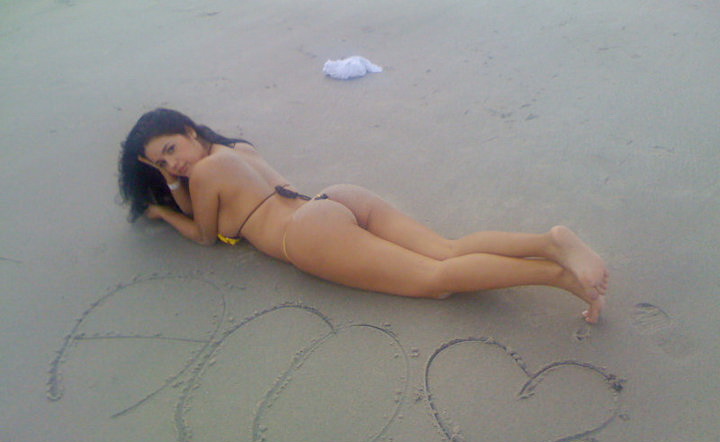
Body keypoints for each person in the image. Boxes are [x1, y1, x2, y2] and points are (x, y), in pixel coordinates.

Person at [118, 108, 608, 322]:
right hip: (334, 199)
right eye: (161, 163)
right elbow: (209, 201)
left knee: (436, 279)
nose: (173, 165)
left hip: (305, 236)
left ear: (189, 131)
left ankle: (556, 275)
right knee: (448, 248)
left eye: (171, 149)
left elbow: (205, 235)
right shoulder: (236, 149)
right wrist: (172, 182)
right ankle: (550, 242)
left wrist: (163, 213)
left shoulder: (206, 174)